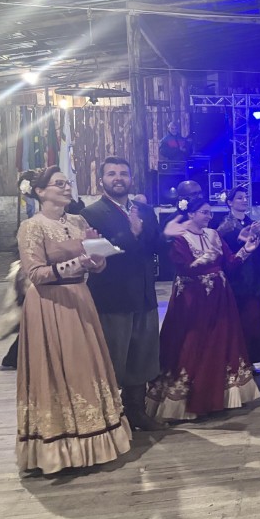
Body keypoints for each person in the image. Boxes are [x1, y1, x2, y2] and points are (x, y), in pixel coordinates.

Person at [15, 167, 132, 474]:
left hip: (81, 298)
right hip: (49, 305)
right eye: (59, 184)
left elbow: (95, 266)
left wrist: (96, 260)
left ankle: (94, 440)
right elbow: (36, 275)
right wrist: (78, 260)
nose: (67, 188)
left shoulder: (79, 221)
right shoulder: (32, 227)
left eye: (68, 183)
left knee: (85, 367)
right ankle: (59, 445)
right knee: (56, 370)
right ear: (40, 191)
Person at [146, 197, 260, 420]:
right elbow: (183, 268)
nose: (209, 216)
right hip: (192, 300)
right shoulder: (180, 238)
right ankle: (188, 401)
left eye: (210, 213)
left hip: (220, 298)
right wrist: (203, 261)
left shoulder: (214, 235)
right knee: (190, 343)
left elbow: (229, 263)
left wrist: (246, 250)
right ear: (191, 214)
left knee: (219, 341)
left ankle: (219, 396)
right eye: (204, 212)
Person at [78, 157, 166, 431]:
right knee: (113, 359)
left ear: (131, 178)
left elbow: (155, 247)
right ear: (102, 180)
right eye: (112, 174)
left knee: (142, 356)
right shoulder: (91, 214)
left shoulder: (144, 210)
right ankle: (111, 418)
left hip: (144, 295)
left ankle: (137, 412)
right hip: (111, 299)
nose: (119, 178)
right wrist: (132, 234)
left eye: (124, 174)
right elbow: (99, 252)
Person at [217, 186, 260, 374]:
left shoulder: (252, 223)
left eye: (245, 197)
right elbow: (224, 252)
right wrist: (246, 240)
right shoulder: (225, 226)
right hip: (236, 280)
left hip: (253, 281)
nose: (243, 200)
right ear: (230, 202)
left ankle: (250, 360)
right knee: (239, 323)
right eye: (239, 198)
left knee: (254, 323)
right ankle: (236, 361)